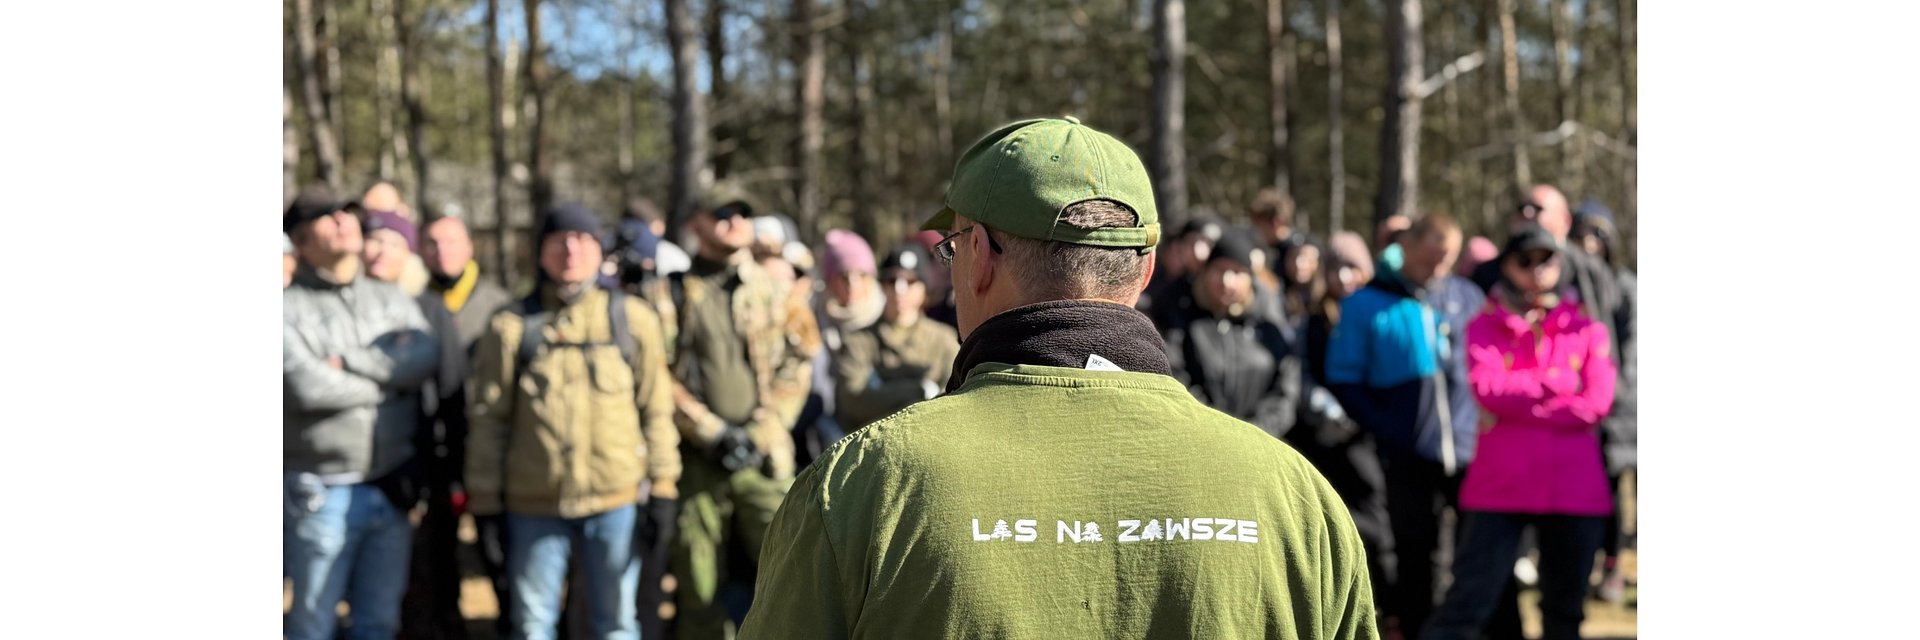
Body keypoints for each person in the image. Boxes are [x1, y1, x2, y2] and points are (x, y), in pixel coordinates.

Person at [740, 116, 1377, 639]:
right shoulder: (1293, 495)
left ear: (981, 256)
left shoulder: (864, 484)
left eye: (953, 247)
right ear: (1147, 267)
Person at [465, 203, 683, 640]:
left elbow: (656, 411)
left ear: (598, 249)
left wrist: (662, 487)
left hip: (614, 502)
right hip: (533, 506)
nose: (569, 250)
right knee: (532, 625)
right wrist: (485, 502)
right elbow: (489, 420)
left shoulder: (631, 319)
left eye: (581, 239)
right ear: (540, 252)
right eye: (557, 240)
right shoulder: (510, 326)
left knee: (617, 623)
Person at [1423, 227, 1616, 640]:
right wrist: (1557, 385)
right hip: (1501, 487)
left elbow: (1596, 403)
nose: (1536, 271)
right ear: (1507, 266)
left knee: (1564, 615)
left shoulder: (1587, 329)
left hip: (1573, 490)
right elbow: (1487, 389)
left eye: (1546, 259)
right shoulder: (1485, 324)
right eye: (1525, 260)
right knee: (1467, 606)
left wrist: (1521, 397)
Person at [649, 199, 816, 639]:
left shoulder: (775, 289)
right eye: (720, 214)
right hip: (697, 463)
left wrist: (762, 430)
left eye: (741, 213)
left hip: (764, 460)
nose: (734, 222)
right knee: (699, 589)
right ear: (694, 224)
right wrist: (709, 430)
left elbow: (799, 363)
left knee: (793, 579)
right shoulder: (670, 292)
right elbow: (656, 372)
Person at [283, 186, 441, 640]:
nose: (342, 220)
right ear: (300, 241)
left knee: (379, 621)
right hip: (320, 491)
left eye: (346, 212)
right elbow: (306, 387)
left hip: (390, 484)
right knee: (313, 620)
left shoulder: (388, 298)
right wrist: (391, 382)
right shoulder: (287, 309)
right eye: (325, 216)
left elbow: (424, 353)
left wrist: (349, 362)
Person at [1324, 212, 1483, 639]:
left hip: (1472, 453)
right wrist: (1385, 426)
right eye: (1431, 256)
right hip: (1407, 453)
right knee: (1416, 556)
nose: (1437, 267)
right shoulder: (1366, 304)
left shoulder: (1464, 296)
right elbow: (1342, 376)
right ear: (1405, 248)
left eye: (1446, 259)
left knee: (1476, 554)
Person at [404, 214, 515, 638]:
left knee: (495, 546)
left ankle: (508, 622)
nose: (441, 251)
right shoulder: (411, 305)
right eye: (432, 243)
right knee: (437, 551)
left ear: (470, 247)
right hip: (434, 450)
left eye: (451, 241)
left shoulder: (498, 305)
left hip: (487, 447)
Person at [1289, 231, 1395, 619]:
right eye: (1336, 268)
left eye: (1353, 267)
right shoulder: (1315, 319)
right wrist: (1328, 411)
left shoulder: (1379, 313)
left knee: (1377, 520)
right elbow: (1303, 372)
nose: (1344, 277)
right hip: (1325, 437)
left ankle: (1387, 606)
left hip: (1370, 437)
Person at [1162, 232, 1302, 439]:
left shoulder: (1269, 324)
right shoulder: (1183, 323)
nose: (1227, 282)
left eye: (1237, 272)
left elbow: (1285, 389)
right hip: (1203, 439)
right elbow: (1178, 380)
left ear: (1250, 279)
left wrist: (1257, 433)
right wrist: (1221, 433)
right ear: (1206, 273)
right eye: (1220, 270)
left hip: (1264, 443)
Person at [1571, 199, 1636, 604]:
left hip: (1617, 407)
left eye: (1598, 234)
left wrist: (1611, 394)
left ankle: (1614, 565)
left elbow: (1631, 349)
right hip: (1577, 409)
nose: (1588, 242)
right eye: (1581, 232)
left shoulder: (1625, 285)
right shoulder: (1568, 283)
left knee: (1613, 490)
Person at [1469, 186, 1620, 344]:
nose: (1527, 214)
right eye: (1522, 208)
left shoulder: (1590, 272)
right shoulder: (1488, 273)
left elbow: (1605, 336)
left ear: (1565, 220)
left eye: (1537, 209)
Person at [832, 245, 960, 431]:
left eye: (910, 281)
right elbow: (854, 400)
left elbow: (954, 399)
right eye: (892, 281)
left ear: (924, 289)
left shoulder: (943, 341)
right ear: (882, 286)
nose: (900, 290)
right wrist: (918, 390)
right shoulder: (858, 341)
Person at [1138, 215, 1221, 331]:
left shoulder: (1193, 288)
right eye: (1193, 242)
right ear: (1178, 243)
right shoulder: (1148, 262)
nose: (1201, 252)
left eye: (1209, 245)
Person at [815, 229, 885, 354]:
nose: (853, 284)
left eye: (861, 275)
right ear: (830, 281)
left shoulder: (886, 314)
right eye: (844, 277)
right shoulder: (816, 315)